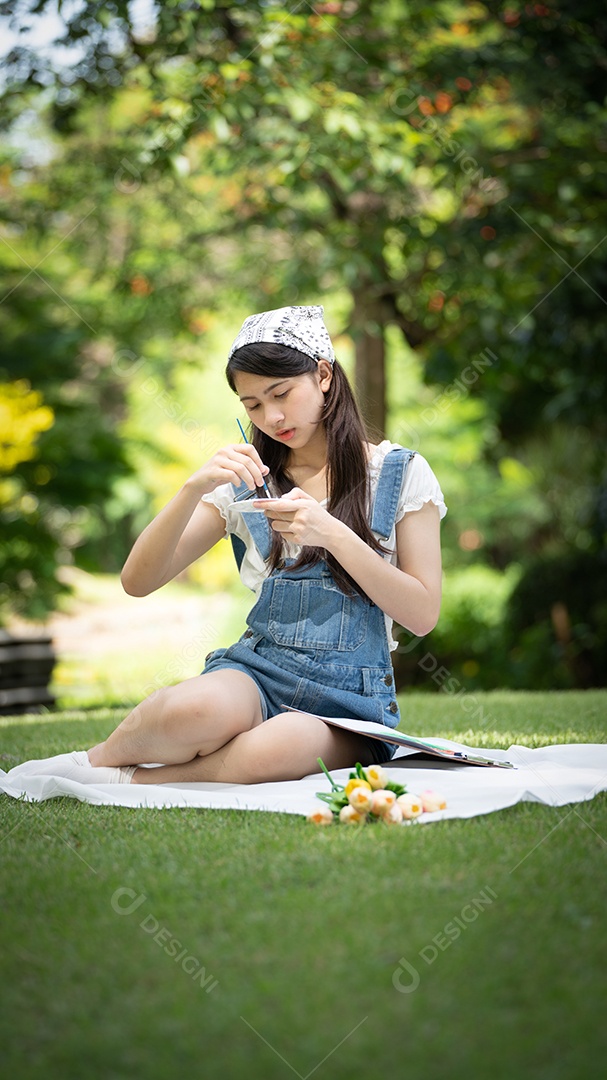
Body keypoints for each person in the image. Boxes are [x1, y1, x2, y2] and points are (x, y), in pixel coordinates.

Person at [10, 305, 446, 787]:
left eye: (280, 393)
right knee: (189, 708)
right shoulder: (247, 481)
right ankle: (91, 763)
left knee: (274, 749)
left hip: (350, 703)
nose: (271, 416)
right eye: (253, 404)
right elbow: (137, 582)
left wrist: (332, 534)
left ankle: (134, 781)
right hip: (259, 673)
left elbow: (422, 614)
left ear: (323, 375)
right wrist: (191, 489)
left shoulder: (400, 474)